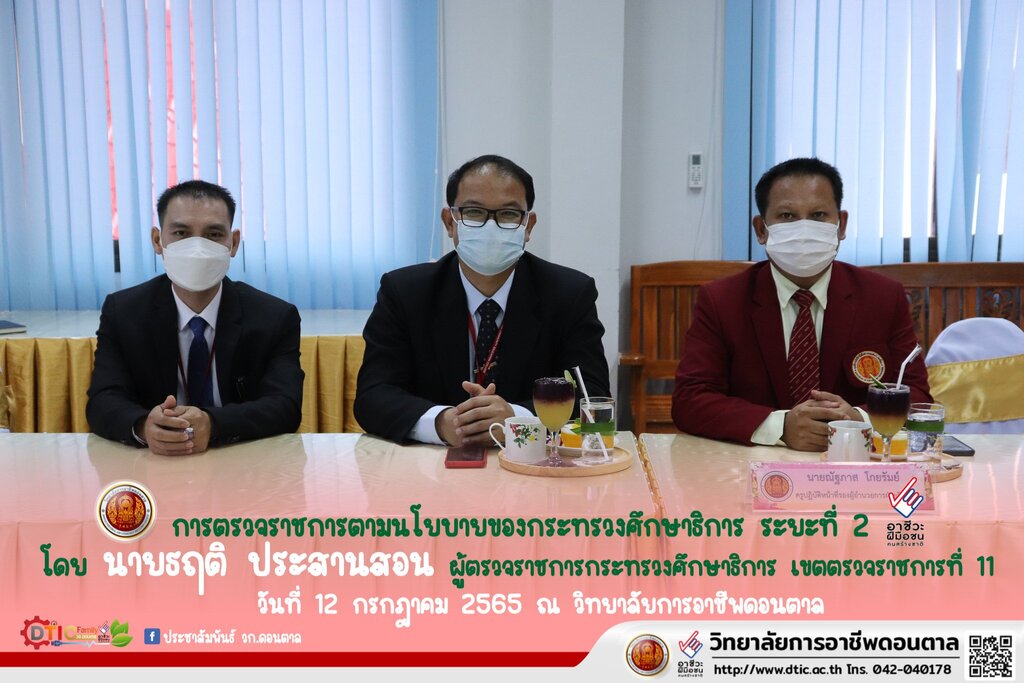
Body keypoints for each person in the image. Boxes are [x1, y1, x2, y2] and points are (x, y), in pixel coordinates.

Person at [672, 157, 931, 451]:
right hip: (755, 464)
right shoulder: (722, 300)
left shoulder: (882, 297)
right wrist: (780, 426)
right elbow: (690, 400)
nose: (804, 230)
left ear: (841, 225)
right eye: (787, 216)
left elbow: (918, 396)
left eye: (818, 215)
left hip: (853, 461)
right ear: (761, 229)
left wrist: (856, 420)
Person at [355, 154, 610, 446]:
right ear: (449, 222)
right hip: (431, 463)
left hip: (533, 462)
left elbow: (593, 396)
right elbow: (373, 396)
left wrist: (517, 420)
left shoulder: (569, 294)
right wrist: (441, 422)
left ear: (528, 226)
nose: (491, 227)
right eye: (474, 212)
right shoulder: (405, 292)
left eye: (508, 214)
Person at [87, 180, 304, 455]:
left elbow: (285, 406)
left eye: (213, 234)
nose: (198, 247)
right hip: (154, 463)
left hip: (239, 462)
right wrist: (144, 427)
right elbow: (103, 400)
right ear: (157, 240)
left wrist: (213, 425)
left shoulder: (274, 317)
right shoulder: (124, 312)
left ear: (233, 243)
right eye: (181, 233)